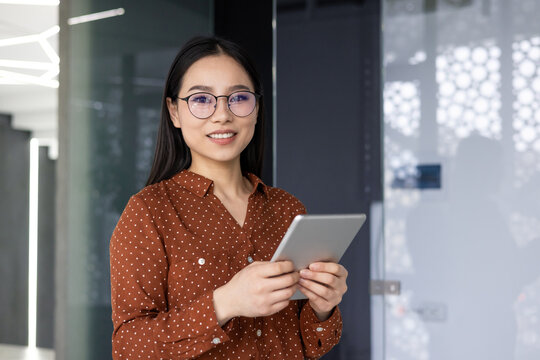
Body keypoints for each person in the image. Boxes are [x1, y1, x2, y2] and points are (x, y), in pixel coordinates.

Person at [109, 36, 348, 359]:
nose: (222, 115)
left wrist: (324, 306)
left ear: (257, 108)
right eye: (202, 99)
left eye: (238, 98)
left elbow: (308, 344)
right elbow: (128, 347)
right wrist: (226, 303)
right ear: (174, 112)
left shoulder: (288, 209)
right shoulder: (149, 212)